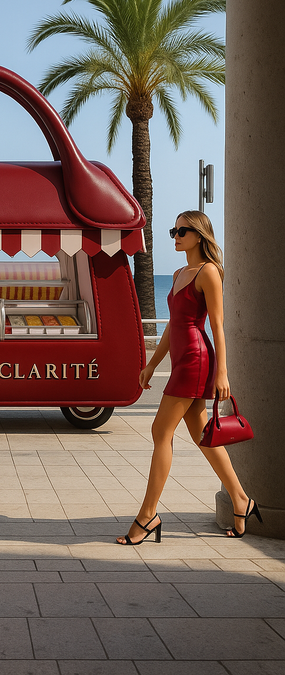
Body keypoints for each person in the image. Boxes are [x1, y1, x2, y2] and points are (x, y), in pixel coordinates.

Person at [117, 210, 261, 545]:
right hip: (182, 358)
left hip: (197, 359)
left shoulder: (209, 272)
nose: (176, 236)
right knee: (203, 435)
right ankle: (241, 500)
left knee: (160, 431)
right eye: (174, 231)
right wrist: (152, 363)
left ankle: (148, 515)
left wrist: (222, 372)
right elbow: (173, 325)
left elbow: (218, 325)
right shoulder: (179, 272)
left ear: (199, 235)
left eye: (182, 231)